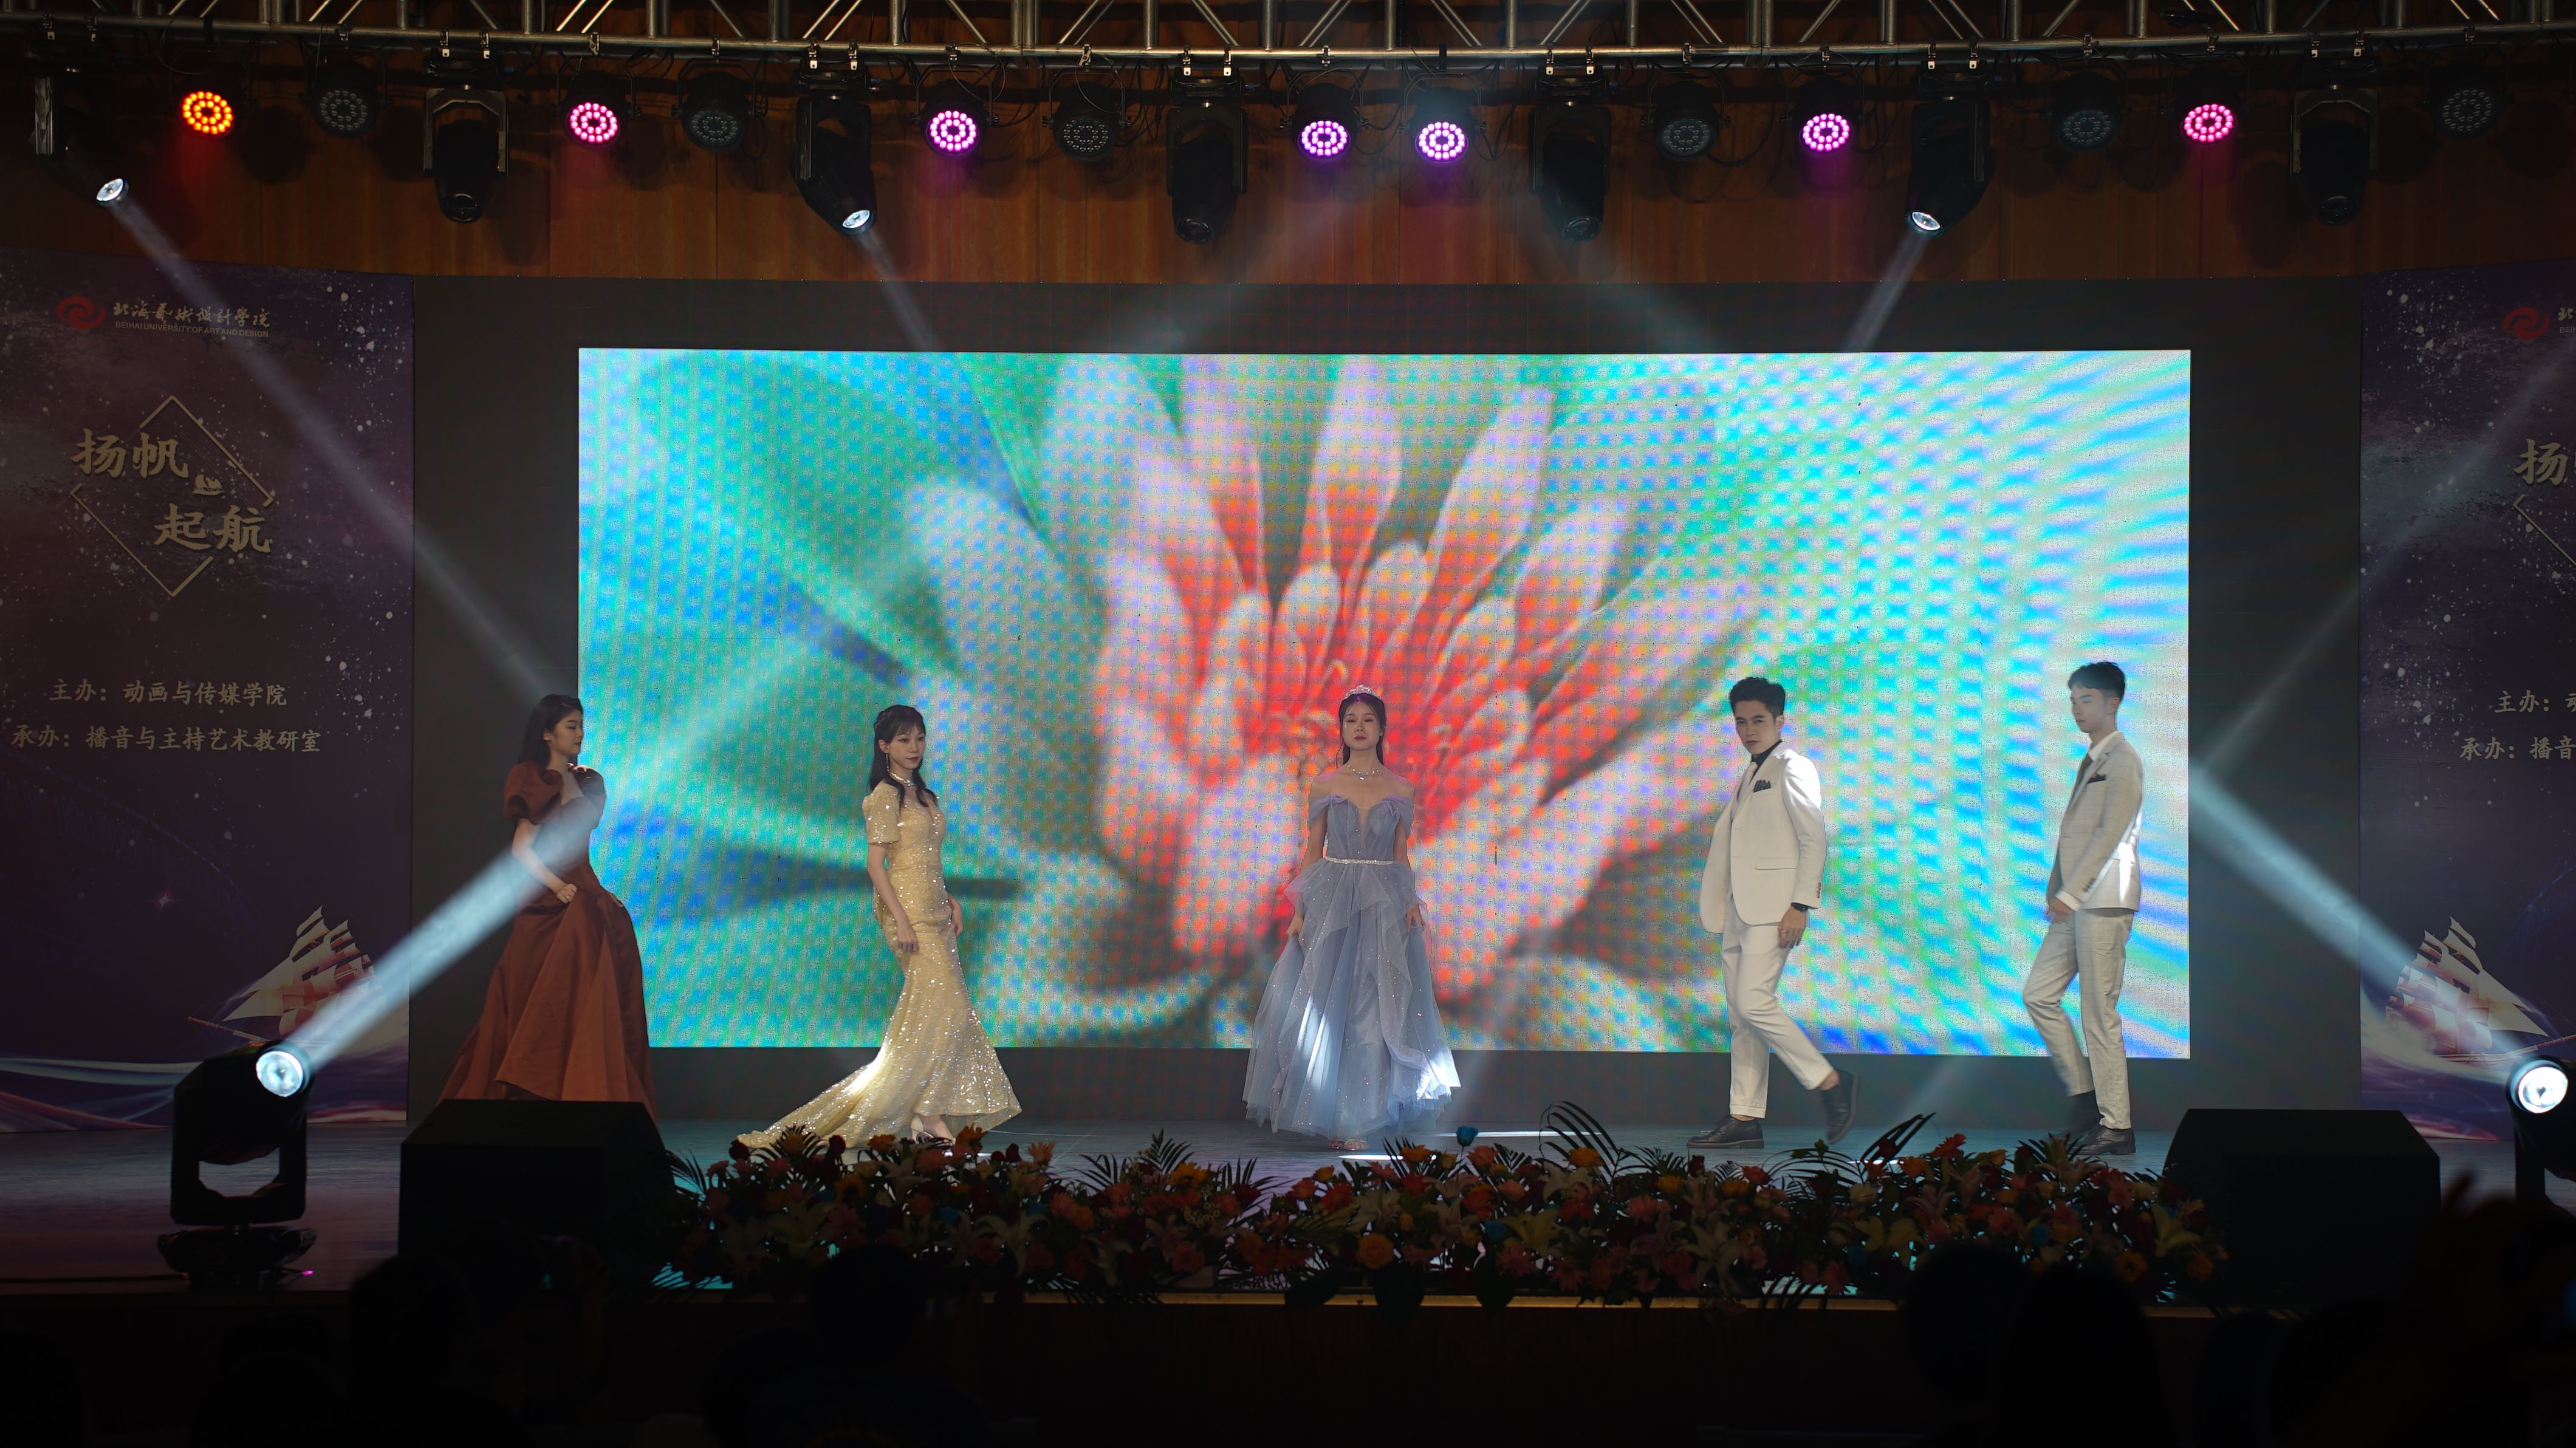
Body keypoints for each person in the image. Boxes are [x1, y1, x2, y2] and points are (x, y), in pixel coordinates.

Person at [742, 705, 1018, 1147]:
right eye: (904, 740)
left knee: (938, 1012)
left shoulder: (924, 796)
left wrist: (950, 899)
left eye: (920, 738)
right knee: (946, 1007)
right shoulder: (884, 797)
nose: (914, 747)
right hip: (907, 912)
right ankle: (928, 1112)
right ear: (884, 746)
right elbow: (877, 865)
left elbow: (926, 858)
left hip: (935, 908)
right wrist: (902, 920)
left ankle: (923, 1110)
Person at [1242, 686, 1459, 1152]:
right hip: (1334, 900)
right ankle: (1333, 1113)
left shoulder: (1401, 789)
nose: (1359, 728)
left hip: (1383, 903)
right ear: (1341, 729)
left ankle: (1358, 1117)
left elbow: (1401, 853)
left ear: (1382, 729)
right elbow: (1312, 850)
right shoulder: (1324, 785)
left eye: (1367, 720)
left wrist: (1409, 901)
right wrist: (1300, 911)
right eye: (1351, 720)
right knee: (1326, 1009)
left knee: (1373, 1009)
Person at [442, 694, 656, 1110]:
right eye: (571, 726)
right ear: (547, 734)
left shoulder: (588, 780)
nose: (580, 734)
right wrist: (558, 887)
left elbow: (579, 849)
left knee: (594, 991)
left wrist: (596, 890)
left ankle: (585, 1093)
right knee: (542, 1000)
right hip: (550, 900)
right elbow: (522, 850)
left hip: (584, 895)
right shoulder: (533, 779)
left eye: (581, 725)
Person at [1689, 676, 1855, 1153]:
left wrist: (1801, 904)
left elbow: (1813, 838)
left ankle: (1829, 1081)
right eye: (1741, 722)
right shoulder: (1750, 773)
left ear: (1780, 721)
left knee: (1755, 1002)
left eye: (1758, 720)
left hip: (1774, 908)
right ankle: (1744, 1116)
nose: (1748, 730)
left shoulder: (1793, 766)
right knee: (1742, 1017)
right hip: (1739, 909)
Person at [2023, 661, 2144, 1155]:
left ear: (2113, 703)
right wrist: (2062, 891)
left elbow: (2111, 834)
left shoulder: (2124, 759)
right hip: (2076, 904)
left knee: (2099, 1014)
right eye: (2073, 700)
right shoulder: (2093, 758)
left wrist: (2070, 893)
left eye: (2087, 699)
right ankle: (2084, 1095)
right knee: (2038, 994)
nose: (2077, 708)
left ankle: (2117, 1127)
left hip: (2104, 901)